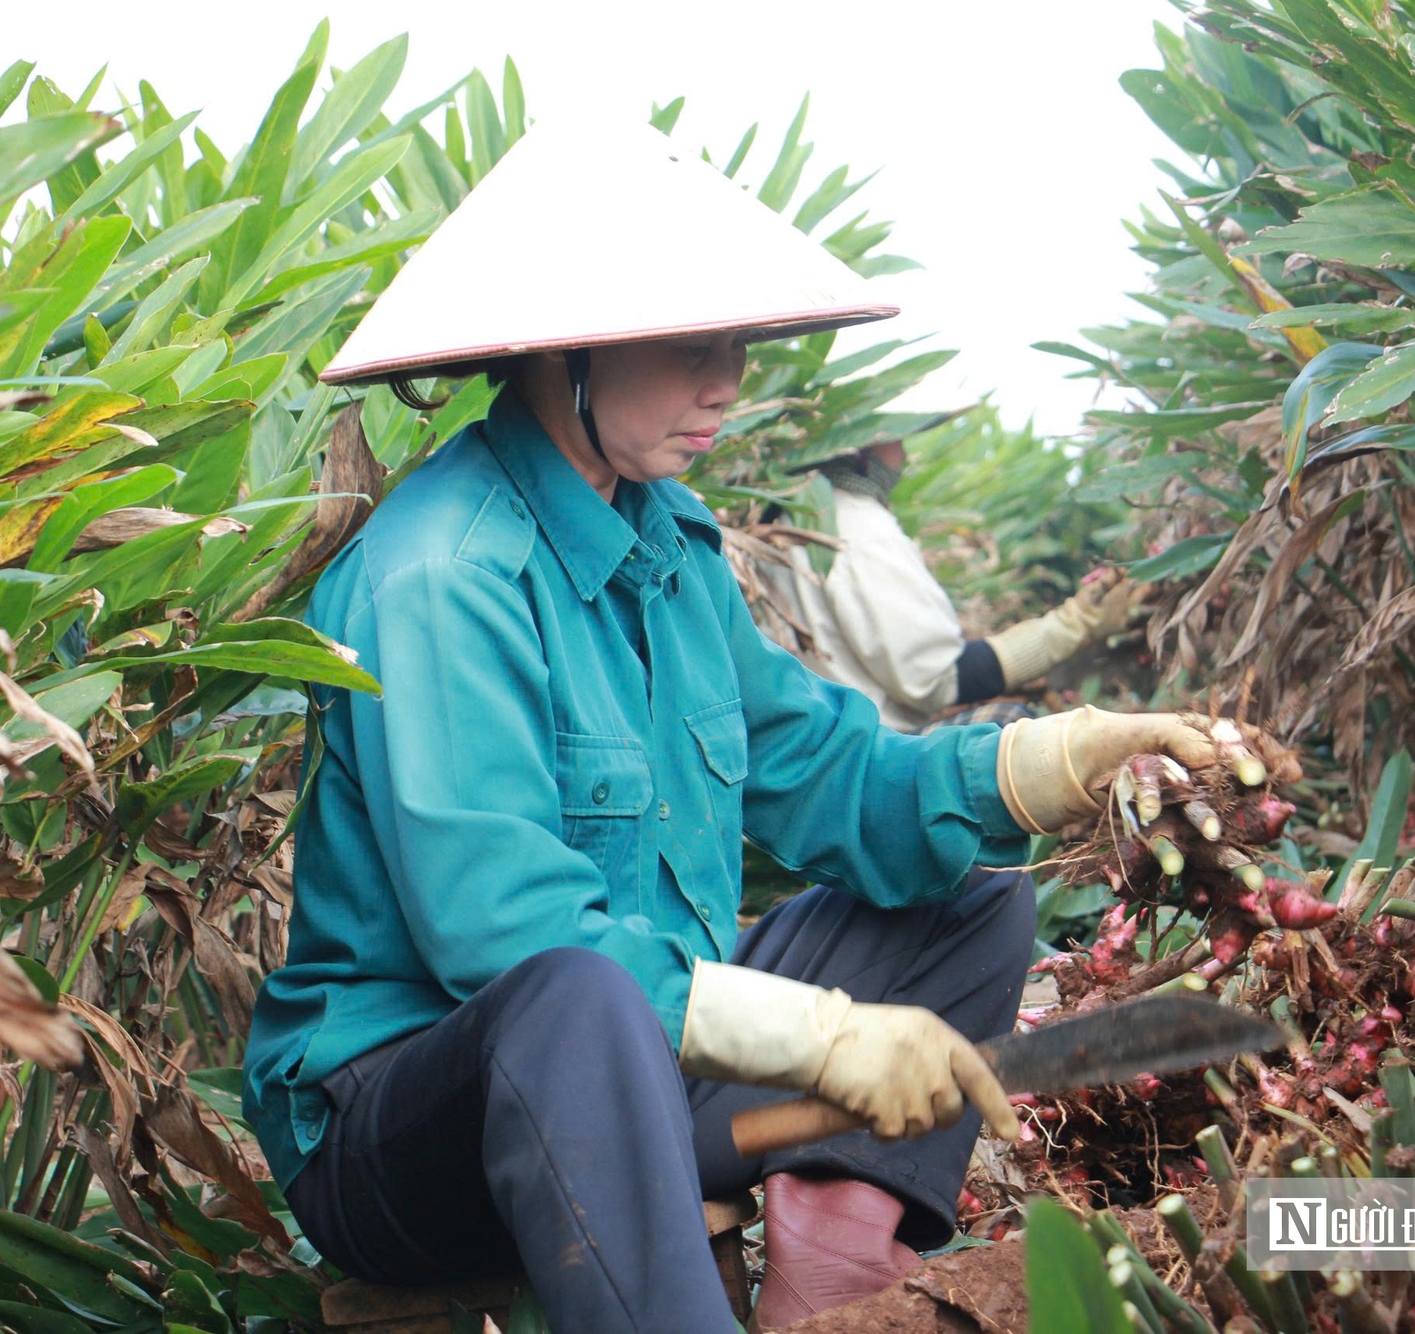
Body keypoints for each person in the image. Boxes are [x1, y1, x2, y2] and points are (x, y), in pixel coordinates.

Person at [241, 119, 1266, 1334]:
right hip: (409, 1127)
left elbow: (837, 777)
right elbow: (501, 936)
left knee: (969, 897)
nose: (725, 379)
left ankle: (831, 1268)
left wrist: (1059, 757)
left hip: (645, 1069)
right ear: (566, 346)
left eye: (738, 341)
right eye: (689, 343)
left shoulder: (672, 550)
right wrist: (821, 1036)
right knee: (572, 1000)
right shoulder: (443, 575)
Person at [767, 428, 1146, 734]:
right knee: (1013, 728)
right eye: (898, 438)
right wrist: (1074, 625)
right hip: (866, 752)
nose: (904, 455)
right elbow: (936, 679)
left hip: (818, 739)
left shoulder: (790, 516)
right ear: (862, 444)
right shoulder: (858, 526)